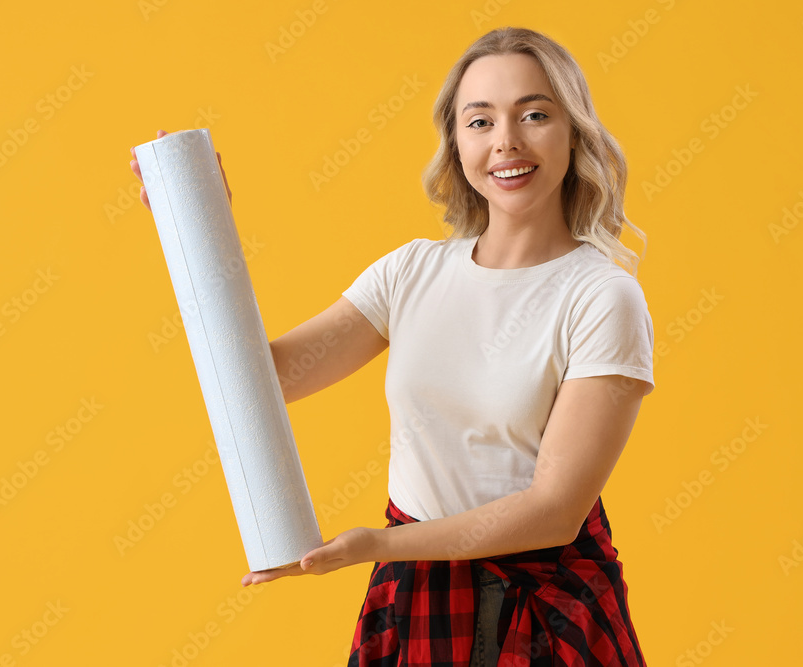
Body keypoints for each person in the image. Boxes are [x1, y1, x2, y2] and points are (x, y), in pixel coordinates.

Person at [131, 25, 653, 667]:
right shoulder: (411, 272)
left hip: (538, 607)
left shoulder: (602, 297)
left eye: (535, 114)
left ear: (572, 132)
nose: (506, 142)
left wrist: (375, 545)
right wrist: (199, 225)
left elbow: (554, 513)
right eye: (480, 121)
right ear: (456, 141)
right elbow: (266, 379)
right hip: (414, 595)